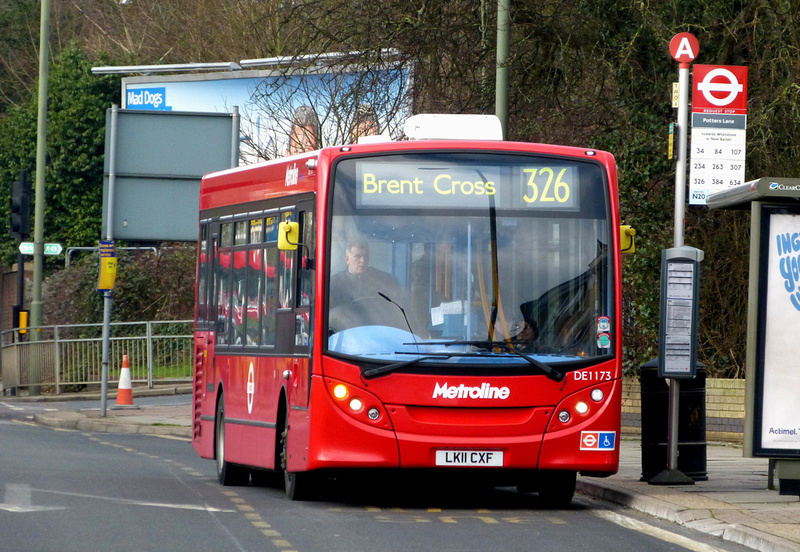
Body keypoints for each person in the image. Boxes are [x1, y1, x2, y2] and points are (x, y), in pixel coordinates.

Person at [329, 240, 401, 310]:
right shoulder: (335, 284)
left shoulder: (382, 280)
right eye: (357, 256)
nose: (363, 261)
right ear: (347, 259)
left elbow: (393, 307)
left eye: (365, 256)